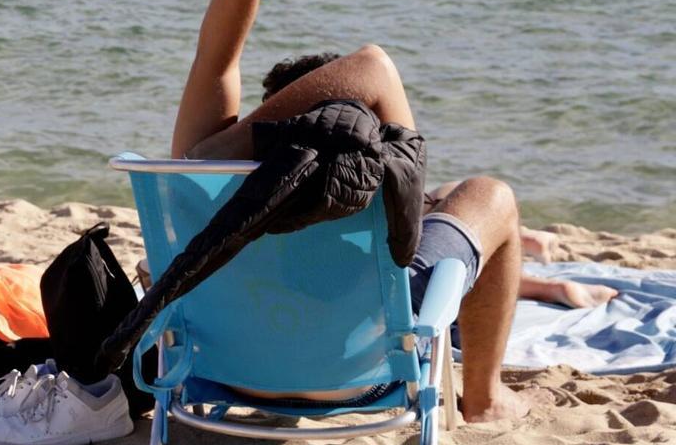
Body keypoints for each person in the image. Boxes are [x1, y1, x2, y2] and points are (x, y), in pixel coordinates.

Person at [172, 0, 544, 422]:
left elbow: (216, 57)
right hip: (361, 377)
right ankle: (485, 401)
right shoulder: (376, 167)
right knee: (490, 195)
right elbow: (372, 66)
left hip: (230, 370)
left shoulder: (207, 180)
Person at [264, 54, 618, 310]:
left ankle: (526, 246)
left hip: (246, 365)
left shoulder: (233, 191)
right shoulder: (364, 186)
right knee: (479, 197)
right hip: (371, 343)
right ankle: (537, 284)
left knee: (447, 194)